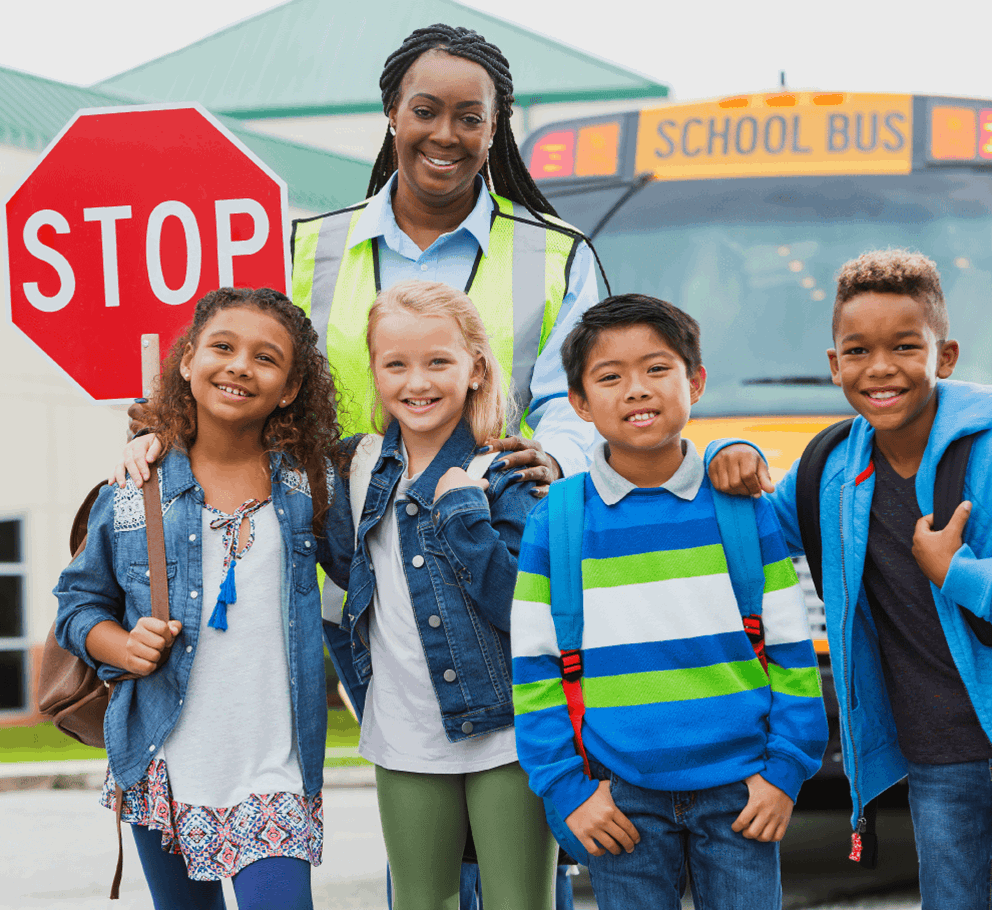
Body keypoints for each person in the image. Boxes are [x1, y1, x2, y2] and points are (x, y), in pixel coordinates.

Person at [119, 23, 603, 492]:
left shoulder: (556, 255)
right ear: (393, 112)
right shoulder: (305, 250)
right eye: (425, 111)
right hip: (334, 552)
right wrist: (174, 422)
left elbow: (573, 400)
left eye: (470, 118)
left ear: (494, 126)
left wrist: (556, 458)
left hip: (489, 544)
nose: (445, 134)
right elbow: (251, 380)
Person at [510, 294, 828, 909]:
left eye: (657, 369)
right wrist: (567, 789)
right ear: (578, 402)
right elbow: (534, 669)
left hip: (743, 794)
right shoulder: (558, 521)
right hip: (618, 797)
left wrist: (785, 771)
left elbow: (791, 651)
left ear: (696, 381)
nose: (636, 390)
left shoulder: (741, 507)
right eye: (610, 377)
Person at [705, 250, 992, 909]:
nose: (880, 368)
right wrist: (725, 453)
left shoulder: (986, 447)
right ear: (835, 365)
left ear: (945, 357)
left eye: (904, 347)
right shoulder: (827, 471)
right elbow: (745, 535)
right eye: (858, 351)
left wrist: (957, 574)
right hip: (938, 749)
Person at [54, 288, 352, 910]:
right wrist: (123, 646)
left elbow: (368, 569)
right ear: (188, 361)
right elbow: (78, 605)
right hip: (163, 761)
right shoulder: (134, 489)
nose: (241, 365)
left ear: (291, 388)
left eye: (265, 358)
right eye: (222, 347)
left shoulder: (311, 483)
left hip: (276, 763)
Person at [326, 280, 558, 910]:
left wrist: (462, 514)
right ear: (374, 371)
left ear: (475, 367)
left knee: (520, 901)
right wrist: (153, 435)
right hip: (403, 732)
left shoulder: (506, 473)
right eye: (395, 364)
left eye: (438, 361)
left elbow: (523, 609)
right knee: (420, 902)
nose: (416, 382)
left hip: (507, 728)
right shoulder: (354, 469)